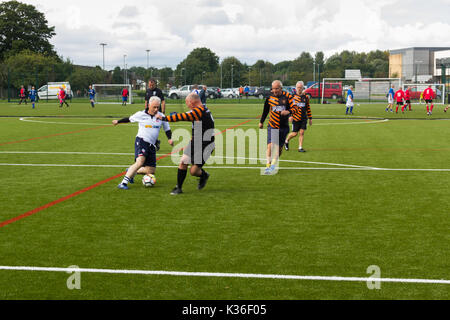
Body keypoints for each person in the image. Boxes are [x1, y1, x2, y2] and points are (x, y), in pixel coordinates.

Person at [157, 93, 215, 195]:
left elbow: (184, 116)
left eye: (187, 102)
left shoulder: (200, 111)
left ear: (192, 102)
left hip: (206, 145)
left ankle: (204, 175)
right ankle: (178, 188)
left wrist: (164, 118)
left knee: (193, 171)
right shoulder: (200, 109)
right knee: (183, 161)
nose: (187, 105)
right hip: (196, 141)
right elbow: (193, 122)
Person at [113, 96, 173, 190]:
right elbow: (129, 119)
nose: (156, 109)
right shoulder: (141, 114)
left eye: (158, 107)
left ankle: (132, 171)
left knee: (151, 171)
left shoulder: (161, 116)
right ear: (149, 105)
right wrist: (118, 121)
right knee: (140, 162)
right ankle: (123, 183)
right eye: (154, 107)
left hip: (152, 145)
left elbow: (167, 129)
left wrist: (170, 139)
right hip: (142, 141)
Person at [259, 80, 293, 175]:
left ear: (281, 88)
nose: (274, 90)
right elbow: (265, 111)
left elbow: (294, 108)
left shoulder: (288, 96)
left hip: (283, 127)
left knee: (279, 148)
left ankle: (274, 164)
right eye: (273, 88)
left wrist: (289, 112)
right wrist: (261, 122)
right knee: (270, 145)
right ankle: (268, 166)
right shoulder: (269, 98)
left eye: (276, 88)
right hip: (272, 125)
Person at [284, 81, 312, 153]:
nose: (299, 89)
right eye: (298, 87)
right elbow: (288, 107)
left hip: (303, 118)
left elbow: (308, 107)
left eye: (301, 87)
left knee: (302, 133)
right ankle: (286, 140)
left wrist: (310, 118)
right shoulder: (292, 97)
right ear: (296, 88)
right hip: (295, 118)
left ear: (303, 88)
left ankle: (300, 147)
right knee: (295, 133)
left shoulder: (306, 97)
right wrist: (290, 116)